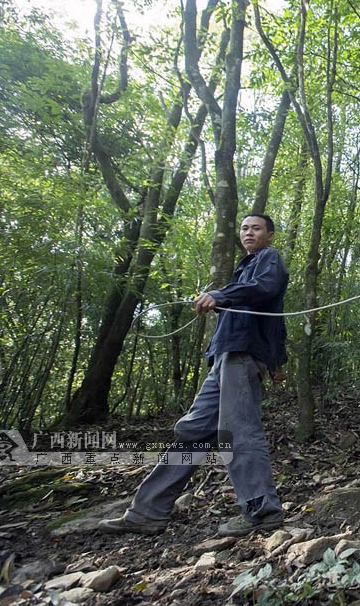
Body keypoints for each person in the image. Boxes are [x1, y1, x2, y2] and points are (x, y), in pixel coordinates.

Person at [99, 214, 289, 537]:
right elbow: (269, 315)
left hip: (242, 357)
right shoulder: (243, 270)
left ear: (269, 235)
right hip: (224, 359)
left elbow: (267, 289)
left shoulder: (268, 260)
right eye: (244, 228)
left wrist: (221, 296)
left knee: (238, 431)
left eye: (256, 228)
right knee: (194, 431)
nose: (248, 232)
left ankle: (262, 511)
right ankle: (148, 511)